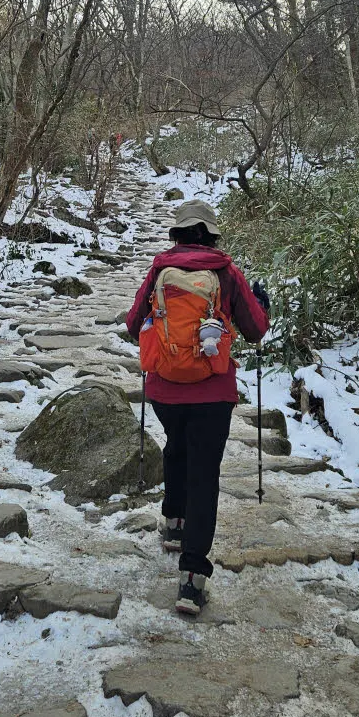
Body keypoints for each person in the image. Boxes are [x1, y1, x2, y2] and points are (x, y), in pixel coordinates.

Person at [126, 198, 270, 614]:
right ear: (210, 234)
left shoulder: (159, 270)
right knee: (204, 475)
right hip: (212, 391)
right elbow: (256, 329)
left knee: (176, 445)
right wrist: (262, 303)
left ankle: (174, 521)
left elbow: (134, 323)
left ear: (178, 233)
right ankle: (191, 578)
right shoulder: (225, 273)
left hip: (165, 390)